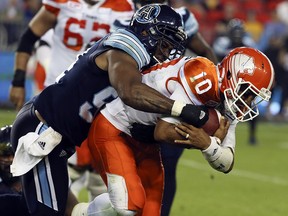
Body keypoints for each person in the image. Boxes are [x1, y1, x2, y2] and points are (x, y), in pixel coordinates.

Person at [9, 4, 209, 216]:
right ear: (145, 31)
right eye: (165, 39)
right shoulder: (127, 45)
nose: (168, 49)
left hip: (59, 137)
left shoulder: (138, 62)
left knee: (72, 211)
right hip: (42, 130)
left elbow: (125, 108)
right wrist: (180, 108)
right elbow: (130, 91)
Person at [76, 46, 274, 216]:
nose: (247, 102)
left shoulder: (229, 98)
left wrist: (207, 144)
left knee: (151, 211)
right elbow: (162, 132)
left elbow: (226, 161)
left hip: (144, 140)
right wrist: (206, 142)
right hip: (115, 127)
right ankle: (77, 212)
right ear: (232, 74)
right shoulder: (201, 76)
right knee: (130, 205)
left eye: (252, 97)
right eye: (247, 93)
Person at [9, 0, 135, 200]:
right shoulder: (63, 2)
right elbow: (29, 38)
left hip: (99, 101)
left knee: (101, 171)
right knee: (60, 170)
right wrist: (18, 80)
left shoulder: (124, 6)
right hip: (59, 99)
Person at [112, 1, 218, 214]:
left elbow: (205, 52)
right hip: (136, 105)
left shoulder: (180, 18)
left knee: (165, 165)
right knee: (126, 170)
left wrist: (211, 92)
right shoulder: (124, 17)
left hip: (172, 101)